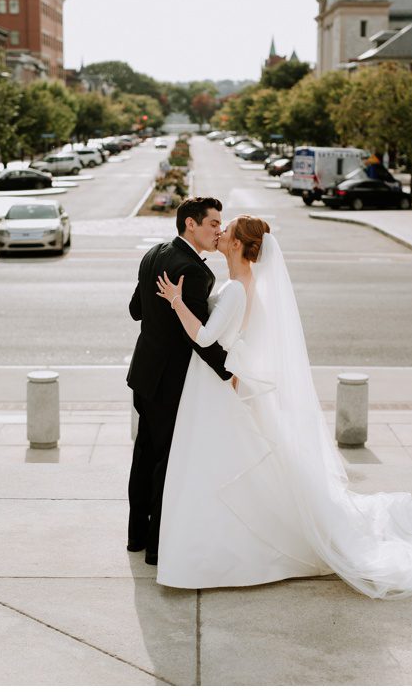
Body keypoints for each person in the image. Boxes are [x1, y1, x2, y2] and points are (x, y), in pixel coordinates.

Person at [154, 215, 412, 597]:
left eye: (225, 230)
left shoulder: (235, 289)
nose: (220, 233)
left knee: (218, 467)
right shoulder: (243, 284)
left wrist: (177, 302)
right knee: (226, 468)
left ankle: (218, 554)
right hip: (221, 384)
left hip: (216, 388)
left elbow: (208, 336)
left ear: (238, 245)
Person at [125, 196, 234, 565]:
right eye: (213, 223)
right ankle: (157, 548)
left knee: (143, 456)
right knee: (165, 463)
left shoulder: (154, 254)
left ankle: (136, 537)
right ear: (191, 223)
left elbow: (135, 310)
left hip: (143, 373)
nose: (218, 229)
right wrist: (228, 370)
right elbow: (198, 335)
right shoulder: (195, 271)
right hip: (170, 380)